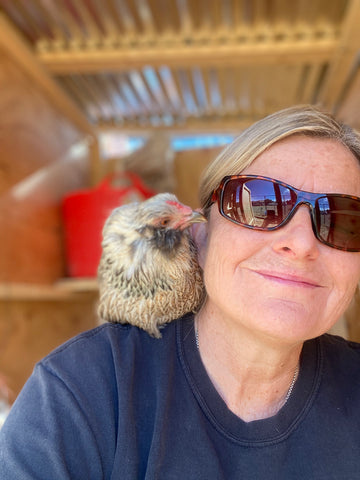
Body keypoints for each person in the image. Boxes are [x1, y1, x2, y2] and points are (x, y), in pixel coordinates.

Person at [1, 105, 360, 479]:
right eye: (259, 204)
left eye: (343, 220)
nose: (301, 243)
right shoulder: (78, 397)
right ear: (200, 239)